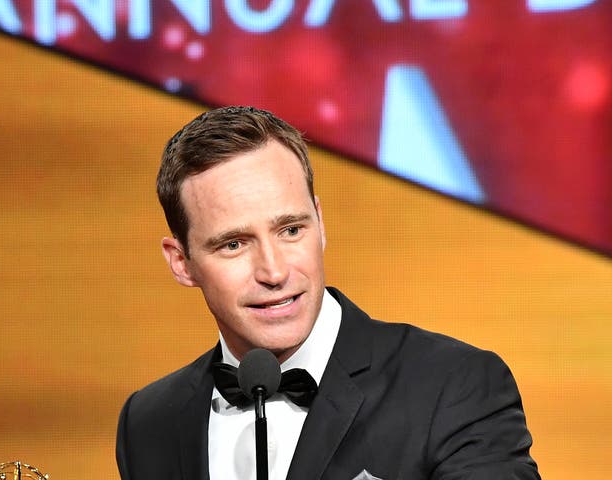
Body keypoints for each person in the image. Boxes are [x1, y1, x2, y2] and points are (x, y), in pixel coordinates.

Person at [116, 106, 540, 480]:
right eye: (234, 244)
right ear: (181, 262)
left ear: (320, 222)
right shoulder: (148, 422)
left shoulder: (452, 387)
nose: (274, 271)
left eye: (291, 230)